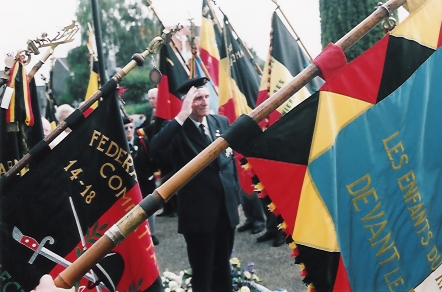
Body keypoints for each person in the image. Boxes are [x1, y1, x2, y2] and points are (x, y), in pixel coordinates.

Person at [150, 77, 241, 291]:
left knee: (224, 269)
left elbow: (230, 163)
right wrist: (181, 115)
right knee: (203, 273)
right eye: (197, 98)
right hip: (199, 215)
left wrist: (235, 199)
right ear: (186, 102)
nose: (204, 102)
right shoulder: (177, 129)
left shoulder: (221, 122)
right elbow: (155, 151)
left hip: (225, 211)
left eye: (206, 96)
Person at [139, 87, 177, 217]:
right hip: (156, 154)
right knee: (163, 181)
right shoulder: (151, 113)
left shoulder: (165, 111)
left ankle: (174, 207)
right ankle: (168, 208)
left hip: (168, 154)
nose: (151, 101)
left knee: (170, 182)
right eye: (149, 98)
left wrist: (144, 130)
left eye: (153, 98)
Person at [123, 116, 159, 246]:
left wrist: (153, 174)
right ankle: (139, 235)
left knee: (149, 208)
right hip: (132, 183)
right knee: (134, 209)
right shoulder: (121, 145)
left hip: (146, 180)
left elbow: (151, 157)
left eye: (131, 128)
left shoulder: (142, 141)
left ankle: (152, 234)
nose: (129, 131)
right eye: (125, 128)